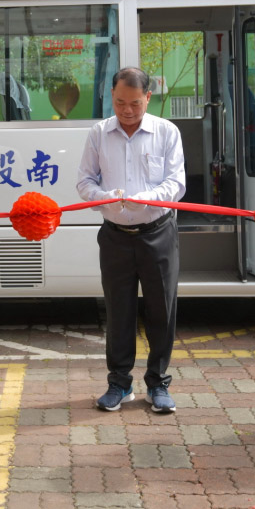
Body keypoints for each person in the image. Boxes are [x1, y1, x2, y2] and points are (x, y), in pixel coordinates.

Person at [76, 67, 185, 413]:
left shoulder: (166, 132)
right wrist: (105, 196)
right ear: (112, 96)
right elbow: (84, 182)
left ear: (147, 99)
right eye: (121, 102)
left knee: (161, 310)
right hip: (115, 237)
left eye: (135, 104)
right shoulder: (98, 133)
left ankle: (158, 383)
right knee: (118, 309)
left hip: (158, 233)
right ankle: (119, 383)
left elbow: (177, 183)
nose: (127, 110)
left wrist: (149, 197)